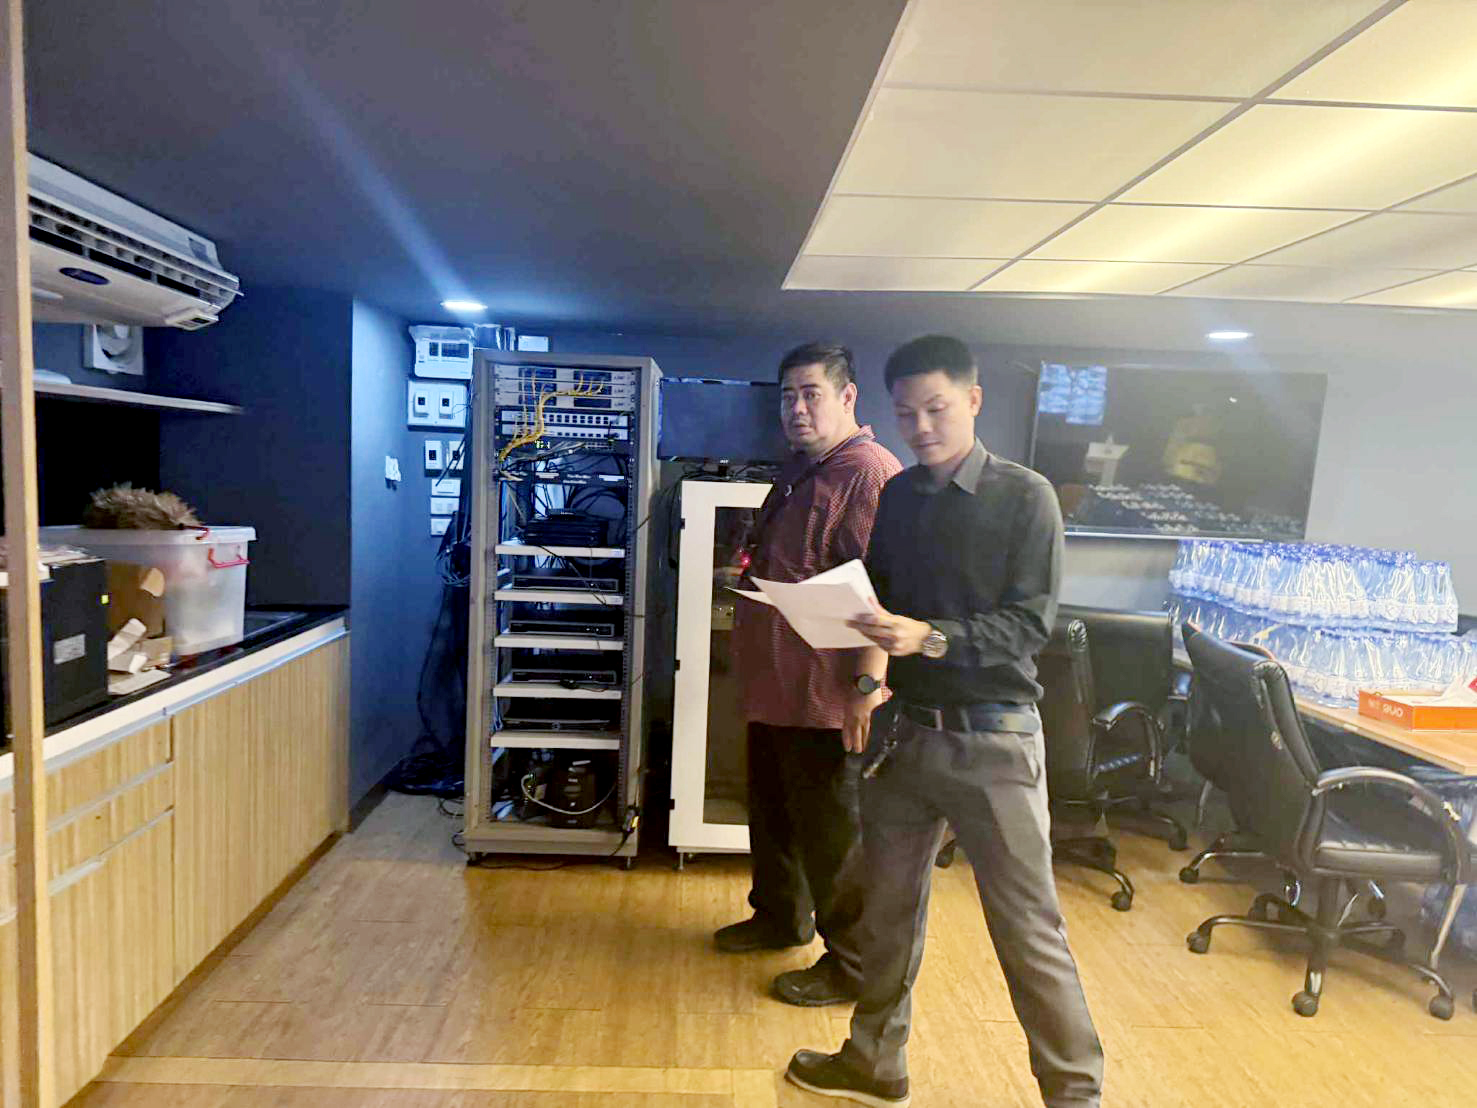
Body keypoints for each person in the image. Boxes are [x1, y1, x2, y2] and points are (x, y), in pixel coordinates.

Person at [787, 335, 1103, 1107]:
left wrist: (928, 637)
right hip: (904, 739)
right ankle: (873, 1063)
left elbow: (1028, 625)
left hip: (994, 739)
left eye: (935, 409)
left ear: (973, 399)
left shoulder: (1026, 496)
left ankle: (1074, 1096)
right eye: (905, 414)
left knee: (1027, 930)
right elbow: (880, 602)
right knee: (886, 915)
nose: (920, 427)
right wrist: (864, 676)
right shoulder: (898, 496)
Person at [717, 341, 902, 1008]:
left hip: (828, 696)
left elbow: (883, 592)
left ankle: (852, 965)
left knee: (833, 835)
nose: (796, 408)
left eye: (810, 394)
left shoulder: (868, 473)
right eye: (787, 396)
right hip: (776, 689)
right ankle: (779, 917)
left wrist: (865, 690)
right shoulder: (803, 468)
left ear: (847, 396)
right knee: (772, 814)